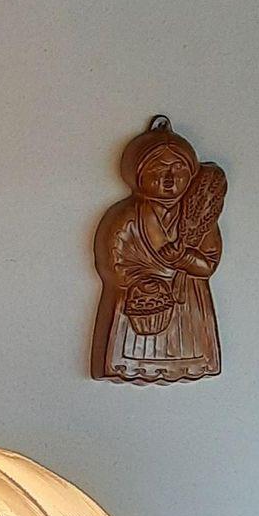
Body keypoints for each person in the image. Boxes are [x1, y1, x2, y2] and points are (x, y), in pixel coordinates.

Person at [93, 116, 224, 382]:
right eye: (158, 170)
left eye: (178, 170)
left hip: (188, 303)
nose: (169, 179)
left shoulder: (199, 217)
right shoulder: (126, 217)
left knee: (189, 346)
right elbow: (114, 262)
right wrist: (144, 282)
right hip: (141, 301)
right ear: (137, 174)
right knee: (132, 351)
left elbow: (208, 264)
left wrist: (184, 258)